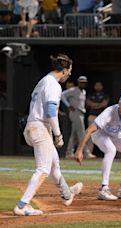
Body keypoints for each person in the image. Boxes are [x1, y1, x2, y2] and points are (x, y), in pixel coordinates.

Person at [13, 54, 82, 216]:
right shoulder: (54, 85)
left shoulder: (44, 80)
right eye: (69, 72)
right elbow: (51, 112)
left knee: (53, 164)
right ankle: (22, 205)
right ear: (64, 70)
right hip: (40, 127)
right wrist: (58, 135)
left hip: (32, 125)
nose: (69, 74)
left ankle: (66, 193)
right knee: (43, 169)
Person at [62, 76, 96, 159]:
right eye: (81, 82)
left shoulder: (83, 91)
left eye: (84, 82)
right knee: (82, 133)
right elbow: (62, 95)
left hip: (81, 112)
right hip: (75, 112)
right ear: (78, 82)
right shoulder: (73, 90)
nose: (82, 83)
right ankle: (86, 152)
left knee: (74, 134)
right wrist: (68, 105)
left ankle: (69, 152)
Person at [86, 81, 110, 156]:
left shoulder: (105, 95)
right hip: (92, 116)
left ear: (102, 87)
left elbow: (104, 104)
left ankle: (107, 152)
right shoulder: (91, 95)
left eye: (99, 85)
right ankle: (89, 152)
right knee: (90, 133)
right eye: (96, 85)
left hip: (102, 117)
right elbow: (88, 104)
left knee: (105, 134)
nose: (98, 87)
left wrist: (94, 105)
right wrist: (99, 104)